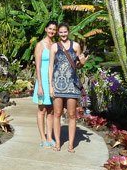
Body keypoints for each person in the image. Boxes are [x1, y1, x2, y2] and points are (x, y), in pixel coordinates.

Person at [48, 22, 88, 152]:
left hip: (72, 84)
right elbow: (50, 67)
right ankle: (58, 142)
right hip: (58, 84)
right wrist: (50, 86)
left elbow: (78, 66)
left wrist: (82, 63)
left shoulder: (76, 46)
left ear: (68, 32)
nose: (63, 34)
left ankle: (71, 144)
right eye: (61, 32)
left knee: (72, 114)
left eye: (65, 32)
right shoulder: (54, 47)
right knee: (57, 114)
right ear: (58, 33)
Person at [32, 20, 58, 148]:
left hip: (52, 82)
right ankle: (42, 138)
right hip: (42, 81)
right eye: (50, 29)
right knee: (42, 110)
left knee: (51, 110)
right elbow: (38, 67)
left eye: (54, 29)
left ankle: (50, 137)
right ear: (46, 29)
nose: (52, 31)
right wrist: (40, 86)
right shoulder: (40, 45)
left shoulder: (55, 45)